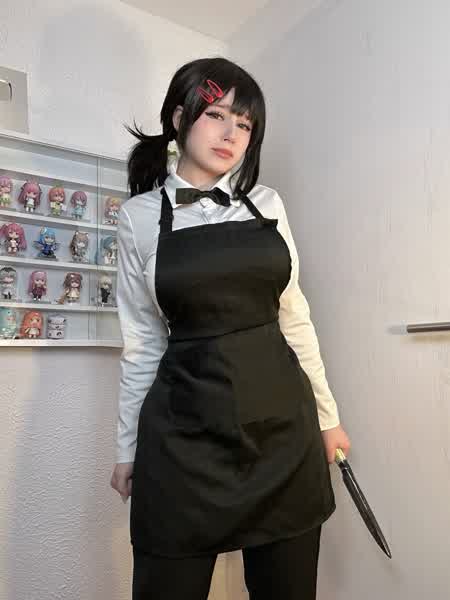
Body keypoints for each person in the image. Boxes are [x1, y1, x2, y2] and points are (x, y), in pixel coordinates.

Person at [110, 56, 351, 600]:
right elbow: (142, 343)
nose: (231, 134)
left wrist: (328, 418)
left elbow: (294, 316)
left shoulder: (267, 204)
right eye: (216, 114)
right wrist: (128, 448)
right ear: (179, 118)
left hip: (282, 435)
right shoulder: (139, 218)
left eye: (244, 124)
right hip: (184, 441)